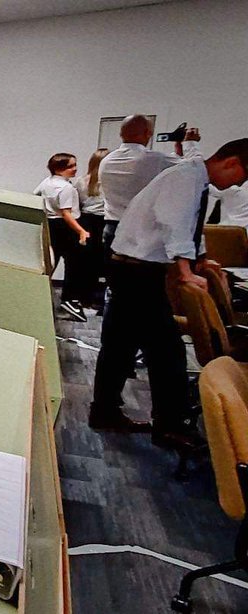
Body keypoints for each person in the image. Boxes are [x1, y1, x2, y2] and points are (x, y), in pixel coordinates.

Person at [91, 138, 248, 450]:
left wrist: (199, 258)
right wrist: (186, 269)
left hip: (133, 267)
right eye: (242, 175)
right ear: (231, 162)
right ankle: (168, 426)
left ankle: (106, 411)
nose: (239, 183)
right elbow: (172, 223)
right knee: (166, 351)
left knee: (121, 345)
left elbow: (189, 224)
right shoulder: (186, 178)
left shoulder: (192, 176)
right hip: (137, 271)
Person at [99, 114, 202, 258]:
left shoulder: (107, 160)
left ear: (121, 133)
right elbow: (195, 169)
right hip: (139, 232)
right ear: (148, 133)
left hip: (111, 228)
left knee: (115, 277)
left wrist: (178, 152)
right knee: (143, 278)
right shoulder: (154, 159)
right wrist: (191, 144)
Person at [35, 153, 90, 321]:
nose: (75, 169)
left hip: (51, 225)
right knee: (74, 263)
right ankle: (69, 300)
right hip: (65, 227)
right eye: (71, 166)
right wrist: (81, 231)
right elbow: (66, 213)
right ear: (60, 169)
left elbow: (35, 196)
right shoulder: (65, 188)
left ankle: (41, 296)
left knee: (51, 261)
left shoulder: (47, 182)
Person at [73, 149, 110, 306]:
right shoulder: (111, 182)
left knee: (86, 261)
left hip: (86, 221)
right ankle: (101, 299)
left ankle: (84, 297)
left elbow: (78, 203)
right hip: (106, 221)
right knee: (106, 260)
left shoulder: (81, 181)